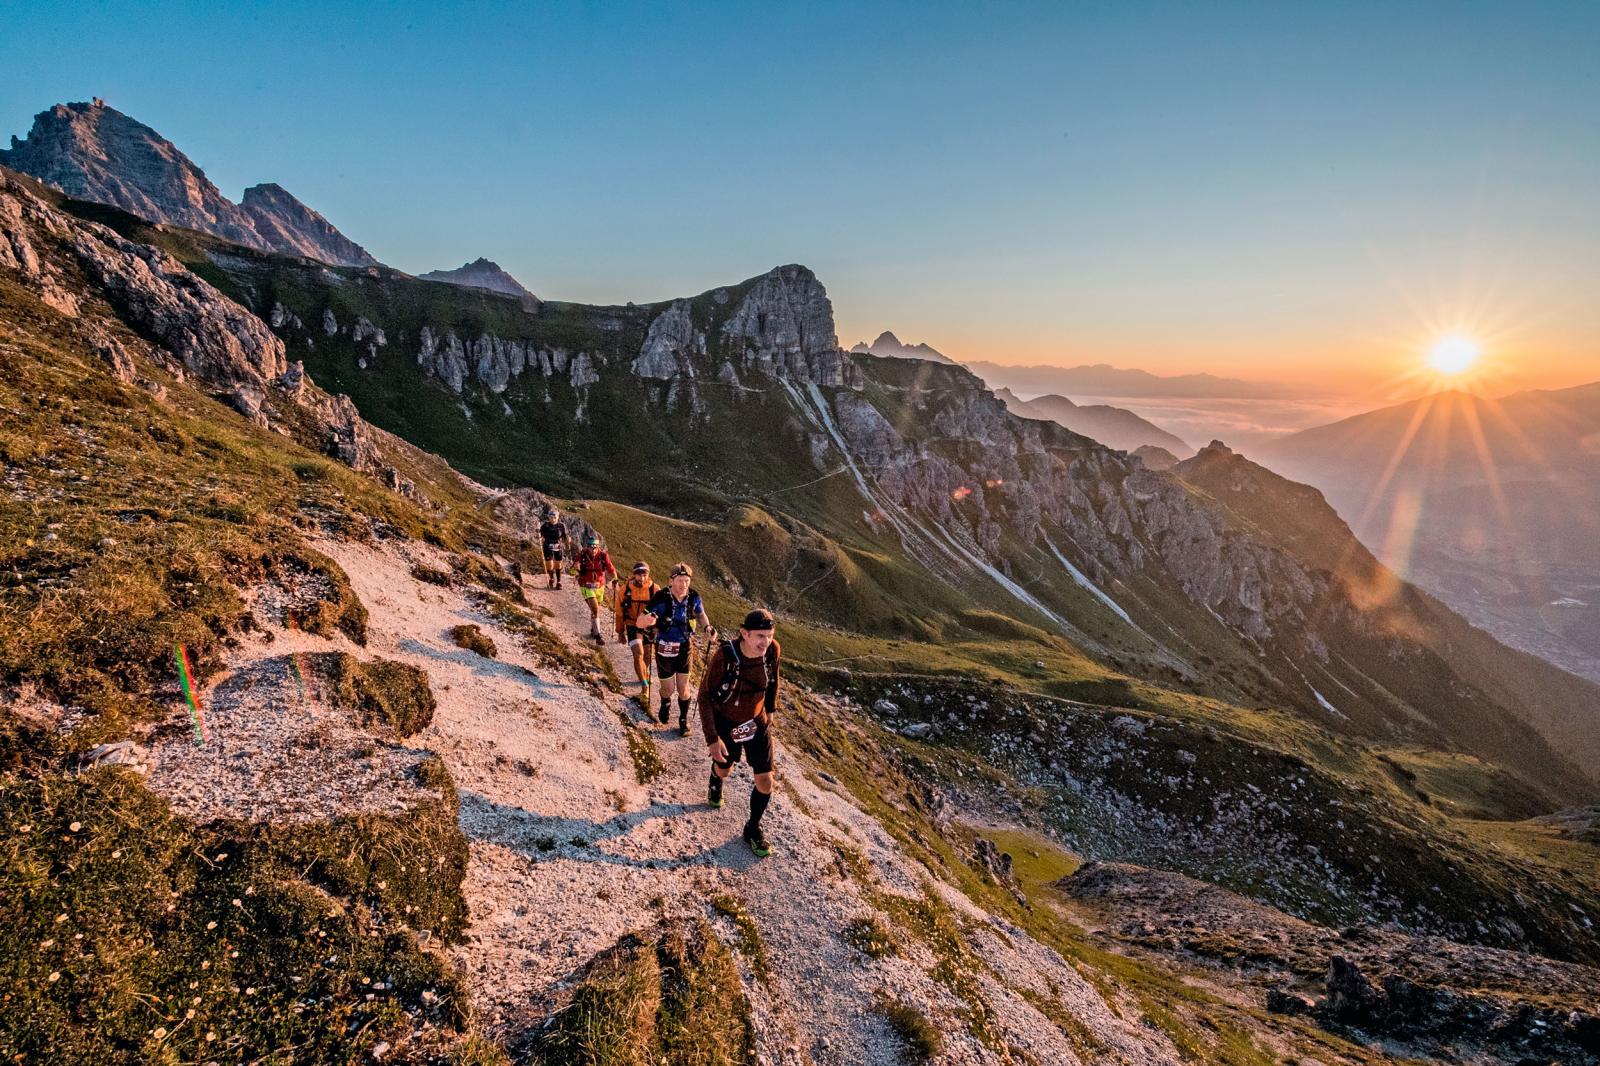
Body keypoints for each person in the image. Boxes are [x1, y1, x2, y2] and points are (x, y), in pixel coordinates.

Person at [700, 609, 781, 858]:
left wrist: (770, 715)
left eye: (768, 635)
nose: (764, 642)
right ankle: (716, 778)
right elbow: (704, 696)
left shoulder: (772, 650)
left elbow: (773, 682)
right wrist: (713, 740)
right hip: (726, 722)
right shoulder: (725, 656)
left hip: (757, 723)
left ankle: (753, 827)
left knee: (766, 780)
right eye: (759, 636)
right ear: (744, 633)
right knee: (726, 769)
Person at [636, 562, 715, 735]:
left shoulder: (694, 597)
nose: (683, 585)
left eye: (686, 581)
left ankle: (683, 719)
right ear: (671, 581)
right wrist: (648, 621)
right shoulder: (661, 597)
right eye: (680, 580)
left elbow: (700, 613)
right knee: (668, 689)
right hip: (664, 647)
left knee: (683, 688)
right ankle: (665, 702)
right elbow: (639, 621)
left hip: (685, 646)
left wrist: (707, 628)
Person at [614, 561, 660, 701]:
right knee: (637, 653)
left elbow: (662, 609)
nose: (642, 578)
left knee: (646, 655)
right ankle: (644, 686)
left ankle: (644, 674)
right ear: (634, 575)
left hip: (648, 626)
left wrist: (658, 628)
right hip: (632, 624)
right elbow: (619, 613)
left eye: (644, 574)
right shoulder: (625, 590)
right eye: (639, 575)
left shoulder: (655, 589)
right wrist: (620, 632)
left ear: (648, 574)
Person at [574, 534, 618, 642]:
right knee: (595, 609)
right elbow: (575, 564)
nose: (593, 550)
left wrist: (615, 581)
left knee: (595, 610)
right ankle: (598, 636)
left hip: (600, 586)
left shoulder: (603, 556)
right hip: (586, 585)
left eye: (595, 547)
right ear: (587, 547)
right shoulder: (583, 554)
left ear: (598, 547)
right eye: (591, 547)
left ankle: (593, 629)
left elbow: (612, 569)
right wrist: (577, 569)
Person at [538, 508, 570, 589]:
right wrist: (538, 534)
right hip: (547, 545)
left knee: (558, 564)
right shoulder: (545, 525)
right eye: (551, 517)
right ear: (549, 517)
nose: (553, 519)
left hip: (557, 546)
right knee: (549, 564)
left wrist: (567, 539)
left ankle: (559, 582)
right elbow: (540, 534)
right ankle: (551, 578)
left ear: (557, 517)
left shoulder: (561, 526)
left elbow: (565, 535)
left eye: (554, 517)